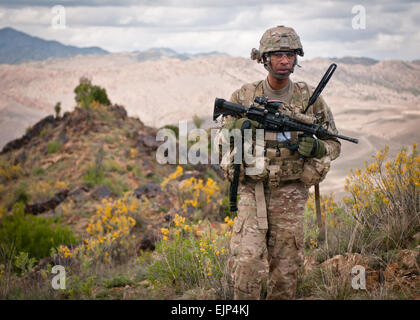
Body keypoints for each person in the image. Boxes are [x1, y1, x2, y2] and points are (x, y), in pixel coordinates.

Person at [215, 25, 341, 299]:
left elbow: (335, 144)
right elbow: (221, 143)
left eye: (290, 54)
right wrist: (236, 128)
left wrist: (318, 147)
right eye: (278, 55)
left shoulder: (310, 99)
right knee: (246, 263)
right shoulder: (245, 96)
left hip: (291, 191)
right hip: (251, 189)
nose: (285, 61)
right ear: (264, 59)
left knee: (286, 271)